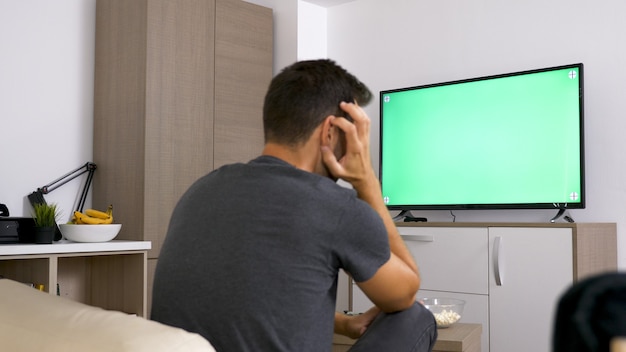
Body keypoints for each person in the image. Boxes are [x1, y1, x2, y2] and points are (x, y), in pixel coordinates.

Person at [150, 59, 437, 351]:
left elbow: (237, 296)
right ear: (330, 131)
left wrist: (342, 323)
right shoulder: (333, 206)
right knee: (415, 317)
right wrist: (367, 182)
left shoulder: (200, 190)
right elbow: (404, 294)